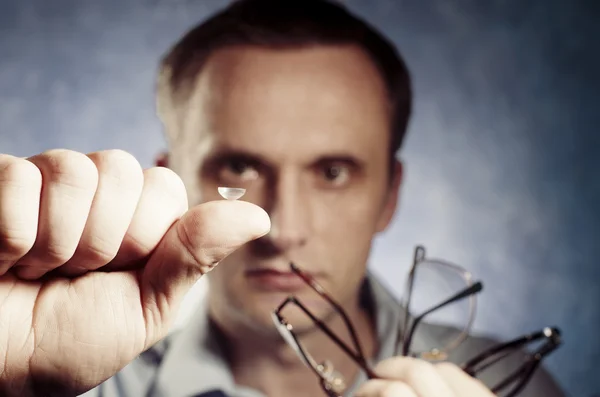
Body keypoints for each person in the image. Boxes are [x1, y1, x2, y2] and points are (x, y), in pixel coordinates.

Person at [0, 0, 565, 396]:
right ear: (172, 183)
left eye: (334, 172)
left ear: (390, 195)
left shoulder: (509, 386)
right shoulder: (71, 382)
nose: (283, 229)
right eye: (240, 166)